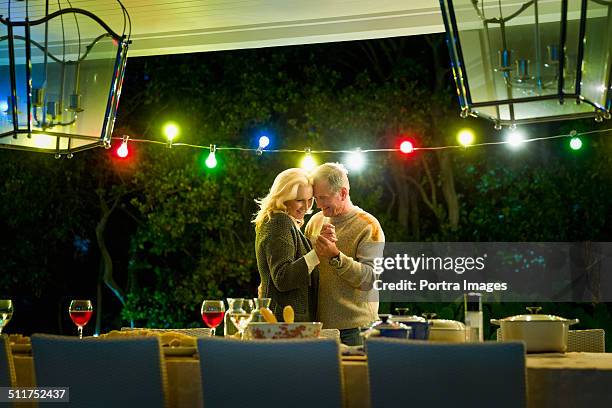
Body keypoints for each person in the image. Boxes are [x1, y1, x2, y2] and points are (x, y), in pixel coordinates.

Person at [305, 162, 384, 346]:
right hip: (319, 329)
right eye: (316, 198)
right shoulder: (315, 222)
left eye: (323, 198)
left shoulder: (368, 226)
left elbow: (370, 279)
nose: (318, 205)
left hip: (355, 330)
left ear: (343, 193)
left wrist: (335, 257)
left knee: (355, 375)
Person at [253, 168, 321, 322]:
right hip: (282, 322)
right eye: (299, 200)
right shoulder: (279, 221)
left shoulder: (284, 222)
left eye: (310, 199)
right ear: (283, 198)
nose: (306, 206)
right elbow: (283, 278)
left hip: (283, 320)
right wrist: (318, 253)